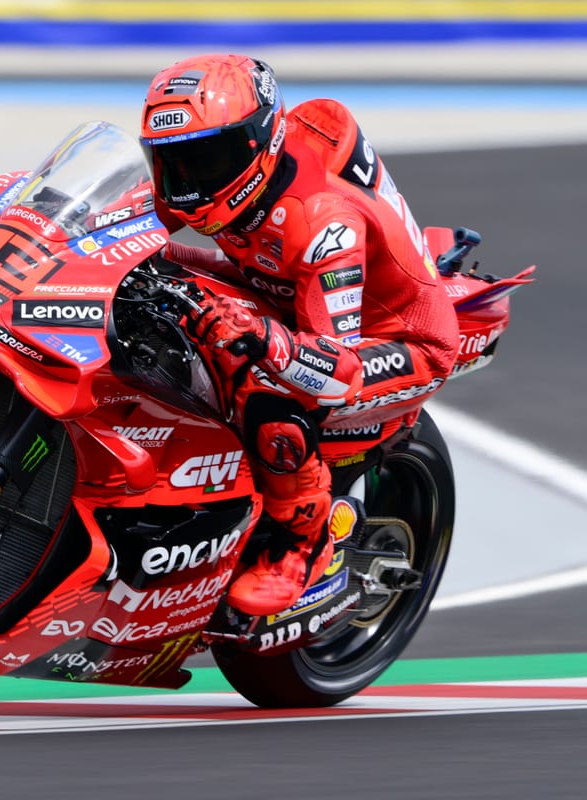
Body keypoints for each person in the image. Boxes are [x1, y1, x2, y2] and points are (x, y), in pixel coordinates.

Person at [139, 54, 460, 617]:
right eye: (173, 162)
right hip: (280, 289)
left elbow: (337, 371)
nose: (188, 179)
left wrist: (266, 339)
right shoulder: (205, 183)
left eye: (206, 158)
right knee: (149, 281)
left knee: (274, 396)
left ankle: (306, 548)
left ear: (257, 143)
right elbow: (118, 225)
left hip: (393, 339)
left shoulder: (322, 223)